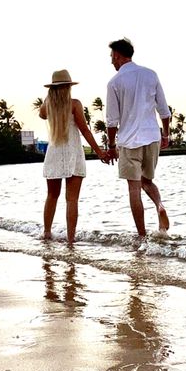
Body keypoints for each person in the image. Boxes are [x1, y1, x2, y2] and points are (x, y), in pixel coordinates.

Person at [105, 38, 171, 237]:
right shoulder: (151, 75)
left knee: (134, 189)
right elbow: (164, 111)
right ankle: (159, 205)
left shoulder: (114, 83)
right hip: (152, 138)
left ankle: (142, 236)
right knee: (147, 181)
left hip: (129, 141)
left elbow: (111, 121)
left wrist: (110, 145)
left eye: (111, 57)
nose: (111, 62)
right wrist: (166, 135)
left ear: (117, 55)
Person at [39, 69, 108, 243]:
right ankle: (70, 239)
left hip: (54, 153)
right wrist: (99, 152)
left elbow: (41, 114)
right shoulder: (75, 104)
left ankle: (47, 233)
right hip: (73, 153)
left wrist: (49, 99)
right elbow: (85, 130)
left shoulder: (48, 106)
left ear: (52, 88)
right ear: (69, 86)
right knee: (72, 199)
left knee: (52, 196)